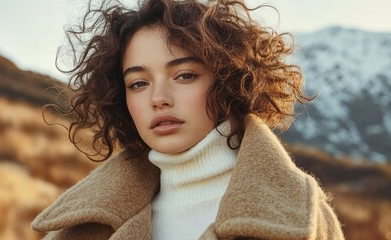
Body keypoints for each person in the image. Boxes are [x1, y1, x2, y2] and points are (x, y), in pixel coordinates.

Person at [32, 0, 345, 239]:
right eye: (138, 83)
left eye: (184, 75)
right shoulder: (79, 227)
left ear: (228, 81)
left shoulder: (304, 218)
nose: (159, 98)